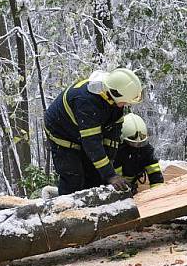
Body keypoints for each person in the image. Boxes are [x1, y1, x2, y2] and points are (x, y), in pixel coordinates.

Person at [44, 68, 142, 196]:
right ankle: (65, 209)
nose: (127, 104)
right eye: (126, 101)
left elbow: (113, 137)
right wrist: (110, 175)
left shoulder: (112, 98)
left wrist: (108, 173)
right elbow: (92, 144)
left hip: (84, 131)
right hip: (62, 133)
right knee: (74, 177)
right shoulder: (87, 102)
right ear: (115, 93)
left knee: (95, 175)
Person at [112, 113, 164, 194]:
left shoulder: (147, 150)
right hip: (116, 188)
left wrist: (158, 193)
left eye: (141, 142)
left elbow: (155, 175)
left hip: (132, 185)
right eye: (133, 142)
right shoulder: (116, 151)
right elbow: (115, 178)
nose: (137, 145)